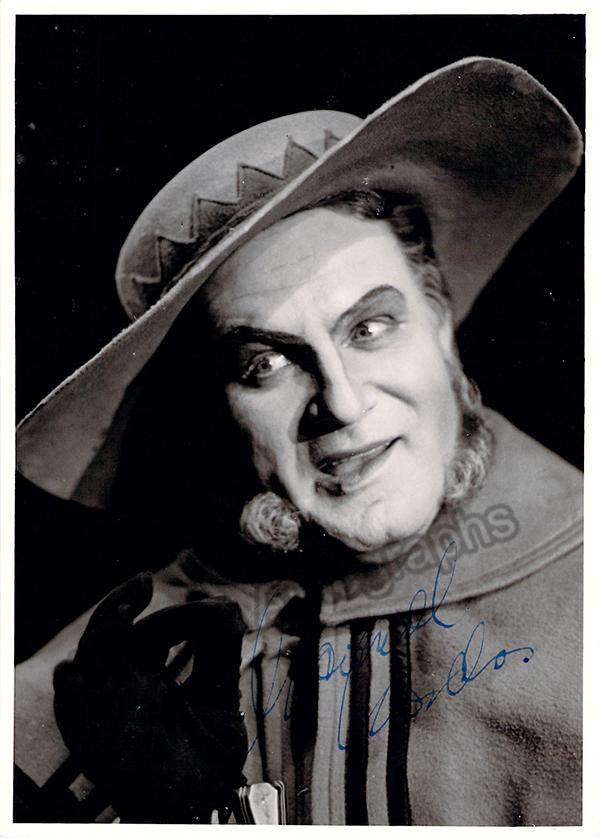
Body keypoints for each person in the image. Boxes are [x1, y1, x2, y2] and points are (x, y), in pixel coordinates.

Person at [14, 57, 583, 825]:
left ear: (441, 327)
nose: (341, 403)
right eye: (267, 364)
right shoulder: (147, 637)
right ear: (222, 411)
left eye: (370, 328)